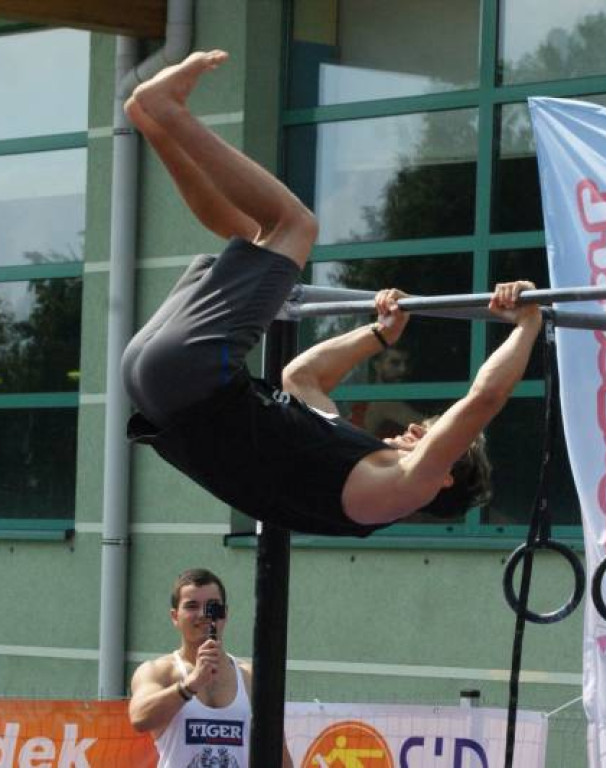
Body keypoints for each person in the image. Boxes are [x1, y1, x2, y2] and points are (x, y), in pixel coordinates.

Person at [120, 50, 540, 537]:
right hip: (161, 384)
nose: (417, 429)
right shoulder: (343, 454)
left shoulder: (401, 489)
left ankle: (169, 110)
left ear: (443, 477)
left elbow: (485, 398)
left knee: (294, 225)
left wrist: (528, 326)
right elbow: (302, 376)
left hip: (191, 381)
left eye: (432, 435)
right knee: (254, 233)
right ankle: (152, 122)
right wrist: (376, 336)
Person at [128, 568, 293, 768]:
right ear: (175, 616)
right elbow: (140, 718)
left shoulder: (251, 677)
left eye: (212, 606)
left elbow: (279, 755)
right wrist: (191, 684)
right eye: (191, 606)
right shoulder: (158, 671)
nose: (203, 614)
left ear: (225, 614)